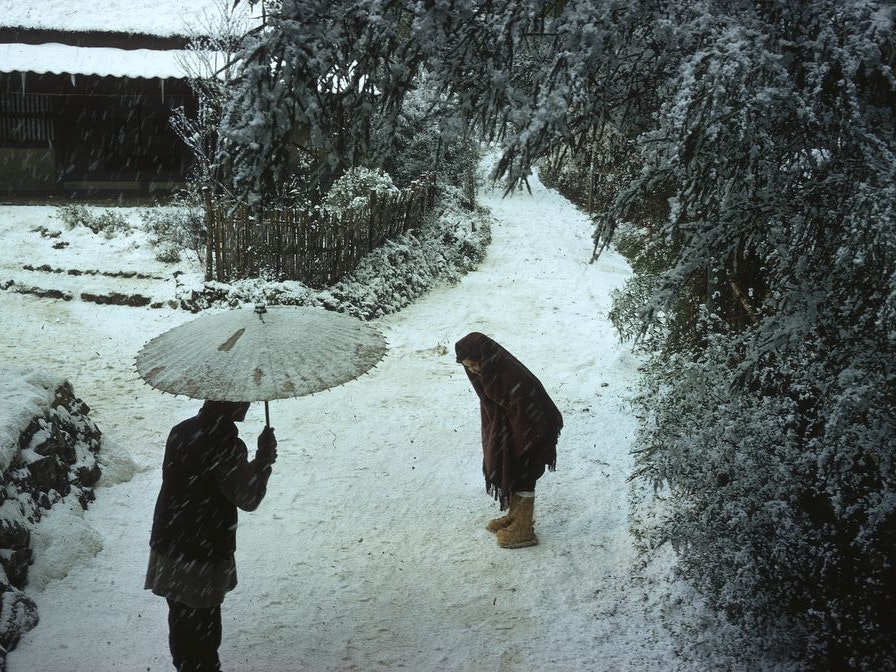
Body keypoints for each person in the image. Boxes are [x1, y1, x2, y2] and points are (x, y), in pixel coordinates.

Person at [145, 400, 278, 672]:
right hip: (201, 552)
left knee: (182, 624)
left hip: (171, 541)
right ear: (230, 404)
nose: (249, 404)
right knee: (204, 634)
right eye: (243, 400)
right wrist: (263, 459)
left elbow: (204, 480)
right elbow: (247, 496)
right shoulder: (225, 444)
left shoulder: (181, 430)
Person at [455, 332, 563, 549]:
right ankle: (516, 516)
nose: (474, 370)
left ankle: (524, 529)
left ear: (486, 358)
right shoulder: (492, 375)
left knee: (524, 471)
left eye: (476, 364)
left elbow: (527, 414)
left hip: (535, 428)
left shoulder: (510, 375)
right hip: (518, 426)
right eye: (468, 367)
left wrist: (520, 445)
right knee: (512, 467)